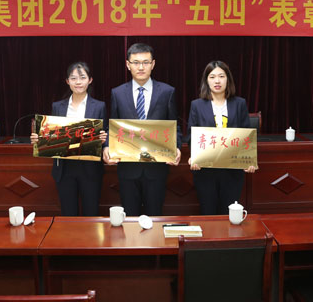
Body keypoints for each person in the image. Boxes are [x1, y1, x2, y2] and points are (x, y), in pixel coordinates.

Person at [103, 43, 182, 216]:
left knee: (154, 216)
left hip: (157, 168)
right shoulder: (117, 93)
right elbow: (112, 127)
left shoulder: (167, 92)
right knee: (130, 217)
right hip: (127, 168)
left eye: (145, 62)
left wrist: (176, 147)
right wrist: (107, 146)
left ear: (153, 64)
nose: (141, 67)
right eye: (136, 62)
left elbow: (174, 126)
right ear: (128, 64)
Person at [30, 62, 107, 216]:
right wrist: (39, 138)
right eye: (73, 78)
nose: (78, 82)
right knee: (68, 214)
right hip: (64, 168)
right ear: (67, 81)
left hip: (90, 167)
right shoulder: (58, 106)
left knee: (91, 213)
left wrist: (103, 139)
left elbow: (105, 131)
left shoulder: (99, 106)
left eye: (82, 77)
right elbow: (53, 134)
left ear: (90, 80)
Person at [184, 60, 258, 215]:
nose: (217, 81)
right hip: (205, 171)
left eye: (221, 76)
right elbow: (191, 135)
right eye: (212, 77)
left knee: (228, 214)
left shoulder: (239, 104)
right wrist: (194, 156)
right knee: (208, 213)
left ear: (228, 79)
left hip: (232, 171)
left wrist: (250, 160)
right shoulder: (197, 105)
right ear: (206, 81)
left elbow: (246, 134)